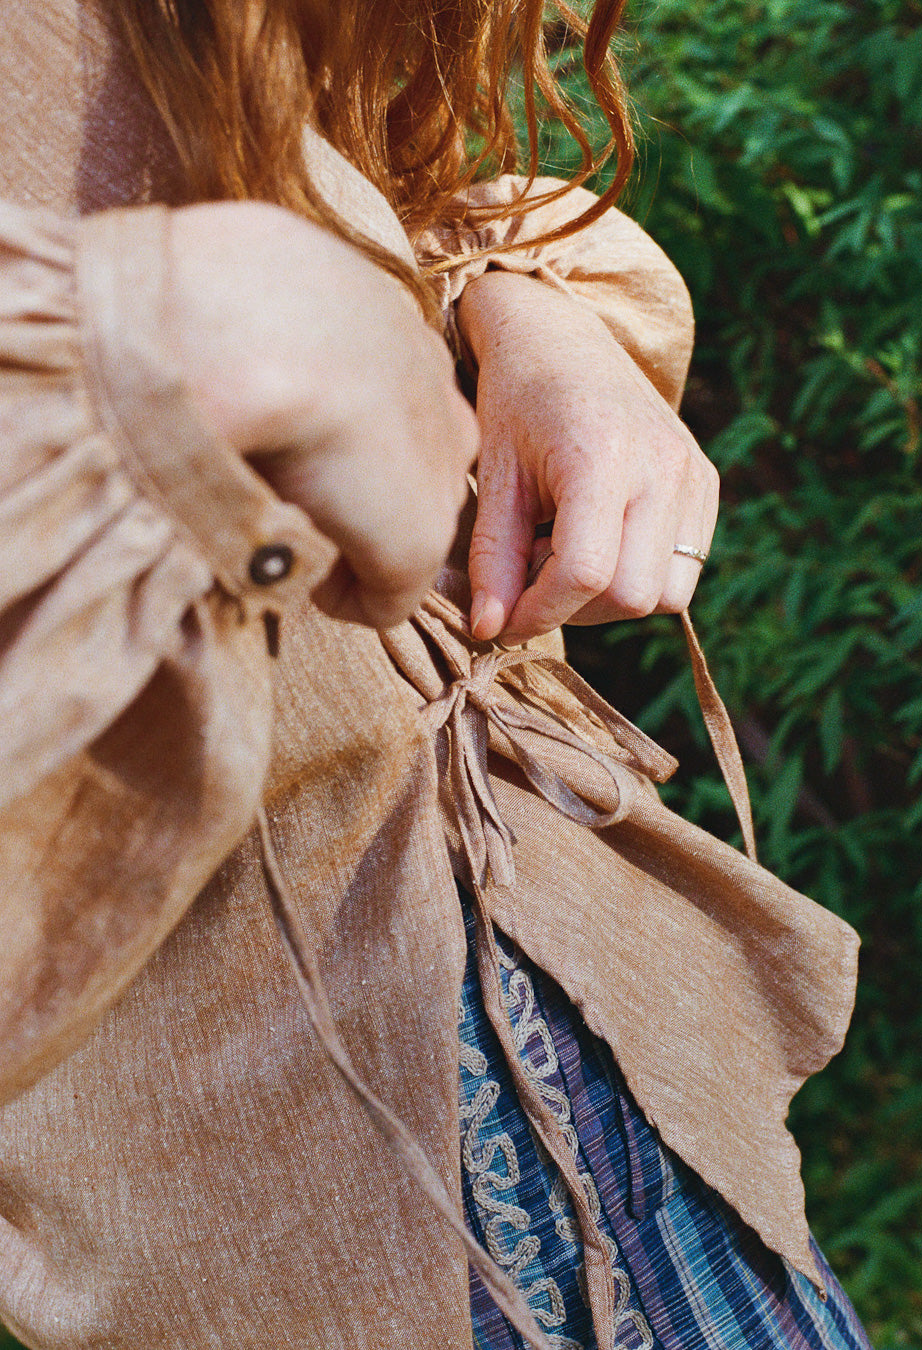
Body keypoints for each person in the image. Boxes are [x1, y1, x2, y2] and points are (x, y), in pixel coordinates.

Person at [0, 0, 873, 1347]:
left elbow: (345, 186)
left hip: (582, 1012)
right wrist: (158, 332)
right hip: (309, 1191)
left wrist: (517, 310)